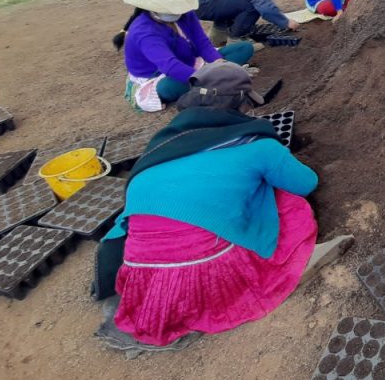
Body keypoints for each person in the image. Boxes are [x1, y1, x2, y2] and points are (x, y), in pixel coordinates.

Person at [96, 63, 349, 352]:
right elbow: (306, 183)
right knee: (286, 203)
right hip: (203, 270)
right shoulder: (258, 145)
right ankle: (277, 268)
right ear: (240, 104)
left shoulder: (163, 144)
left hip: (139, 271)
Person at [115, 0, 255, 112]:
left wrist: (220, 65)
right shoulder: (144, 31)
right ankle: (211, 82)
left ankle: (213, 81)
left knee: (244, 48)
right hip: (160, 75)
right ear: (152, 8)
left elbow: (202, 43)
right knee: (170, 87)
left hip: (192, 61)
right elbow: (170, 66)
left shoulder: (184, 13)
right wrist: (212, 77)